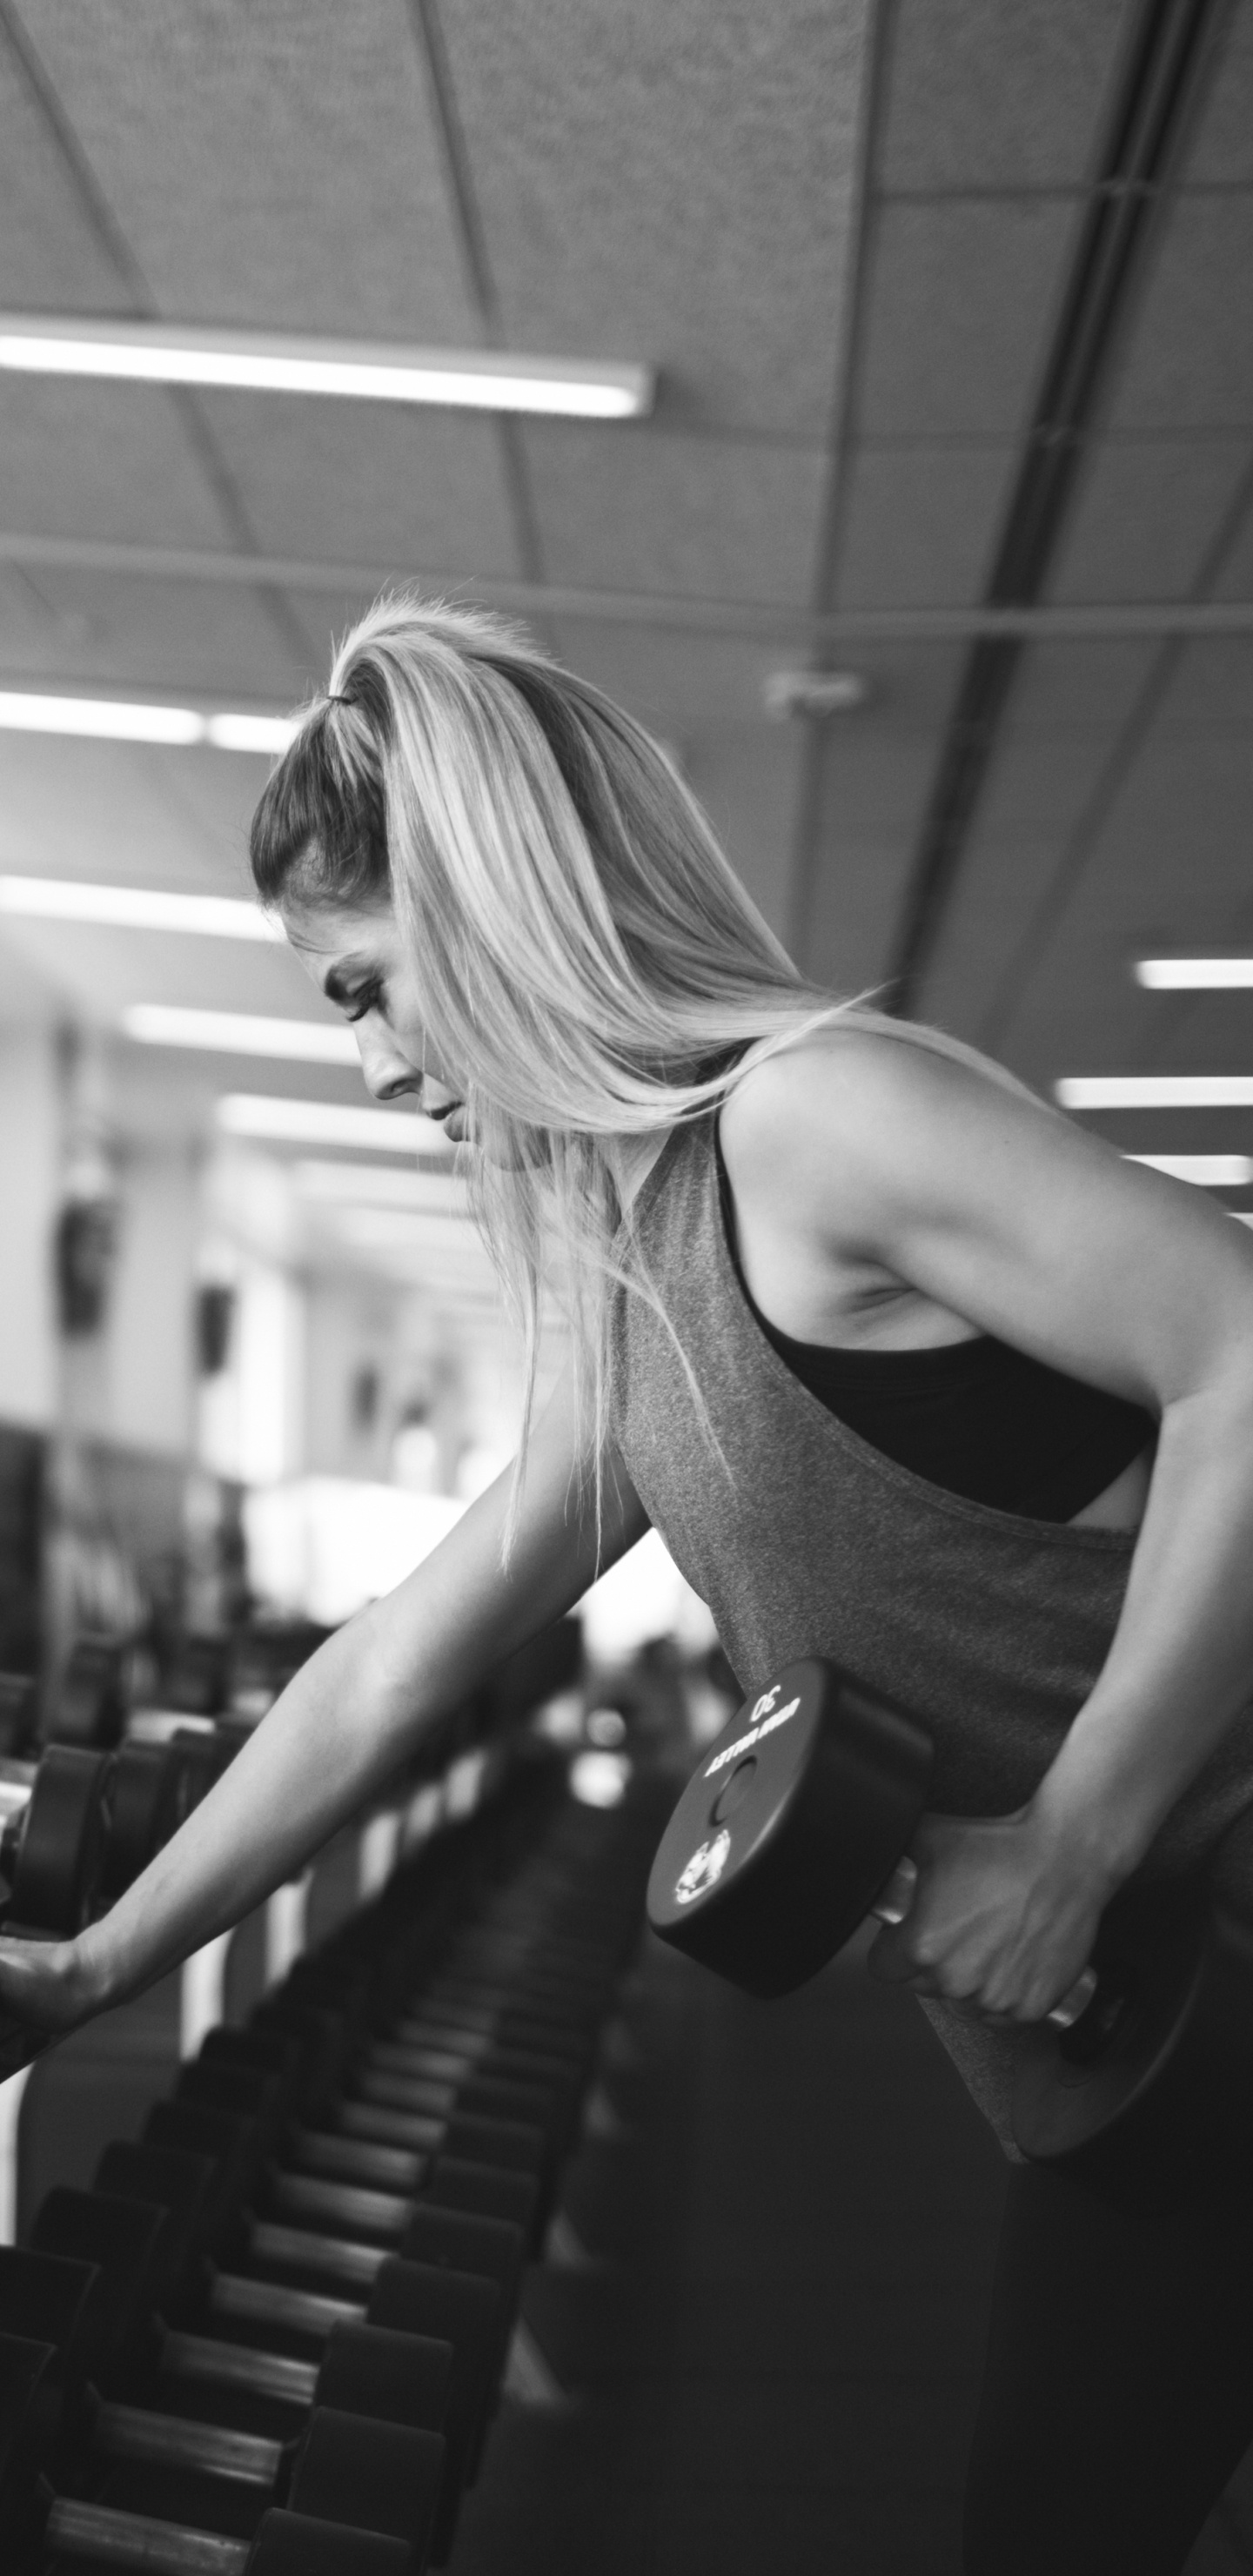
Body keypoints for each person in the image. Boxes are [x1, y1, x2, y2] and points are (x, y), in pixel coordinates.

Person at [4, 594, 1253, 2573]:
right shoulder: (646, 1278)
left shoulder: (813, 1118)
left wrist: (1080, 1835)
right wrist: (89, 1965)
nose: (367, 1063)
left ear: (489, 912)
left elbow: (1247, 1342)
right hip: (1150, 2058)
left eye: (361, 987)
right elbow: (394, 1666)